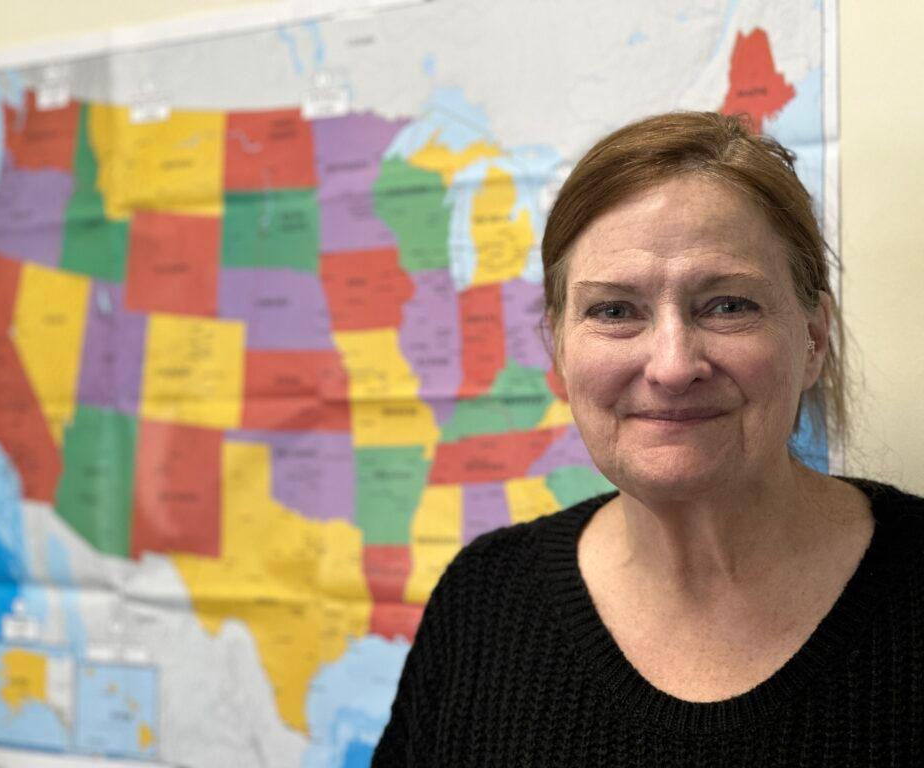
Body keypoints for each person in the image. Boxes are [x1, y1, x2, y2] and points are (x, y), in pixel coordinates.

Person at [371, 112, 924, 766]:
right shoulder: (482, 606)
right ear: (558, 349)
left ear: (813, 339)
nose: (671, 365)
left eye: (727, 305)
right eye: (614, 311)